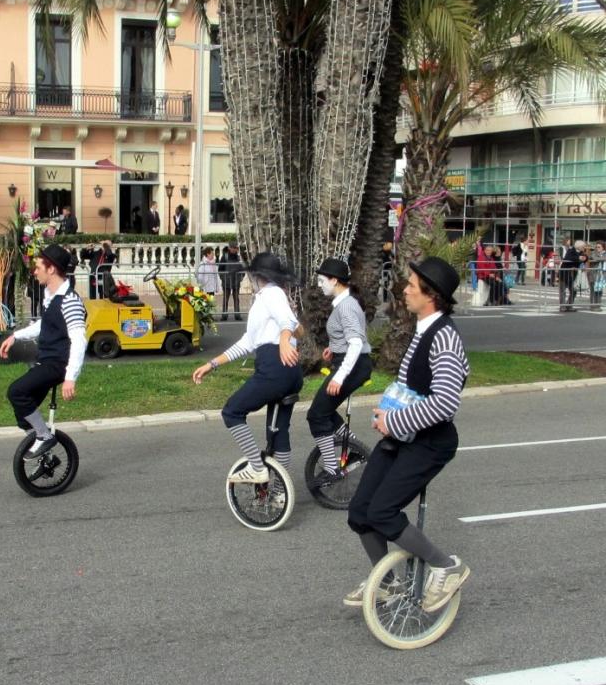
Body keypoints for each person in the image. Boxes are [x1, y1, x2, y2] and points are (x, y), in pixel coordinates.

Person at [344, 256, 471, 613]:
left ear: (431, 295)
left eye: (412, 285)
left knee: (383, 512)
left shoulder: (444, 338)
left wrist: (396, 421)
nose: (405, 289)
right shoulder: (423, 329)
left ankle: (446, 566)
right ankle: (387, 583)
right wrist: (389, 413)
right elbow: (413, 388)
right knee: (360, 511)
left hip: (430, 442)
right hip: (404, 436)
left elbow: (445, 403)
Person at [192, 252, 303, 483]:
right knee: (278, 432)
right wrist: (212, 364)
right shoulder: (271, 297)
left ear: (256, 276)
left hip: (274, 367)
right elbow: (247, 343)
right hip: (291, 371)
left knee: (232, 411)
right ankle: (279, 493)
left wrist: (284, 340)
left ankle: (256, 467)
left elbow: (288, 322)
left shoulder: (271, 294)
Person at [0, 244, 87, 458]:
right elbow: (44, 325)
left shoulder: (70, 301)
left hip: (57, 364)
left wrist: (70, 378)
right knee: (24, 416)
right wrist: (15, 336)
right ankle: (45, 452)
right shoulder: (51, 296)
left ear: (51, 269)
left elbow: (79, 340)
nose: (34, 271)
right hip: (46, 360)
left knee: (16, 391)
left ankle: (44, 436)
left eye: (38, 267)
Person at [306, 258, 373, 486]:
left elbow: (356, 342)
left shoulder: (346, 306)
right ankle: (356, 450)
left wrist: (339, 376)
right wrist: (333, 347)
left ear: (335, 280)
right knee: (324, 411)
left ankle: (332, 469)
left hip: (352, 366)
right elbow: (349, 336)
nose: (320, 285)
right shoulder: (346, 303)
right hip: (350, 362)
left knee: (316, 415)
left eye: (322, 280)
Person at [218, 241, 245, 321]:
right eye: (233, 248)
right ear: (229, 248)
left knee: (236, 299)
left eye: (236, 248)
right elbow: (220, 270)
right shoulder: (224, 257)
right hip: (226, 281)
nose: (234, 249)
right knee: (225, 299)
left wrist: (241, 278)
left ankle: (237, 315)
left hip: (236, 281)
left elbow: (243, 269)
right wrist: (223, 278)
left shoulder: (239, 258)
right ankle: (224, 315)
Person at [558, 237, 579, 311]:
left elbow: (584, 258)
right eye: (569, 241)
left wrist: (583, 258)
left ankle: (569, 305)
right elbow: (564, 258)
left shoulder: (575, 250)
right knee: (563, 290)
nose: (570, 242)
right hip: (564, 272)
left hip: (571, 274)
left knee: (573, 291)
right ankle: (562, 306)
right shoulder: (565, 249)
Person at [589, 241, 605, 310]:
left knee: (599, 291)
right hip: (594, 274)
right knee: (593, 291)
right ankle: (593, 306)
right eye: (596, 247)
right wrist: (603, 259)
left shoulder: (604, 254)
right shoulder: (593, 253)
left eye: (599, 247)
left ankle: (598, 305)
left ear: (603, 248)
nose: (597, 248)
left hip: (602, 275)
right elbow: (594, 258)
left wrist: (602, 258)